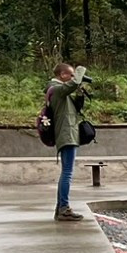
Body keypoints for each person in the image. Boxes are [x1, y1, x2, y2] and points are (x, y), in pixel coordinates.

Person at [45, 63, 87, 221]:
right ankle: (64, 207)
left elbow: (75, 109)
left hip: (69, 133)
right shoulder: (55, 89)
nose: (72, 78)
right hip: (66, 134)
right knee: (67, 173)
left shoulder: (62, 91)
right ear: (62, 75)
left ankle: (61, 208)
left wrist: (80, 94)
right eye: (70, 75)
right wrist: (80, 71)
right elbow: (74, 82)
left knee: (67, 172)